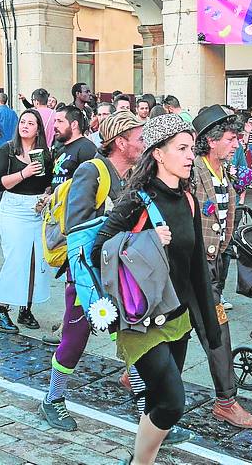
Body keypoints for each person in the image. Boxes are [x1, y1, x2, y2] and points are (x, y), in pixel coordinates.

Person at [90, 114, 222, 465]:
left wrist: (209, 324)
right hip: (139, 320)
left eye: (192, 149)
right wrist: (144, 239)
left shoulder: (189, 200)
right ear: (158, 154)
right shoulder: (137, 199)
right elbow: (99, 248)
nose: (190, 155)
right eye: (181, 148)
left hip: (177, 318)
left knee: (156, 398)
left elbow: (196, 267)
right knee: (172, 403)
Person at [41, 111, 144, 432]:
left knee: (132, 339)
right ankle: (52, 398)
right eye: (139, 138)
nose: (144, 143)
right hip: (87, 274)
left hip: (118, 273)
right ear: (121, 142)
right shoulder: (93, 172)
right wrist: (90, 287)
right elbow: (76, 229)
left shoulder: (132, 175)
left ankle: (150, 414)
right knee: (75, 338)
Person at [189, 106, 252, 429]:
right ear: (211, 141)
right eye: (232, 139)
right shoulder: (193, 172)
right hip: (194, 267)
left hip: (217, 262)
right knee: (217, 331)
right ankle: (226, 401)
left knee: (175, 332)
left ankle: (135, 373)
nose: (237, 144)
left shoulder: (226, 170)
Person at [0, 109, 53, 333]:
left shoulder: (45, 154)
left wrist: (47, 193)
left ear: (38, 129)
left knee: (36, 261)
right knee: (16, 259)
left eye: (31, 123)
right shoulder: (7, 150)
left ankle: (25, 308)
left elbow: (48, 182)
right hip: (13, 209)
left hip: (37, 209)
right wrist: (25, 173)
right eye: (22, 122)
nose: (25, 126)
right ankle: (1, 310)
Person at [50, 105, 98, 189]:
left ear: (74, 124)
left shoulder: (86, 148)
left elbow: (90, 184)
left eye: (60, 121)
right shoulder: (61, 150)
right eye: (55, 121)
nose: (55, 125)